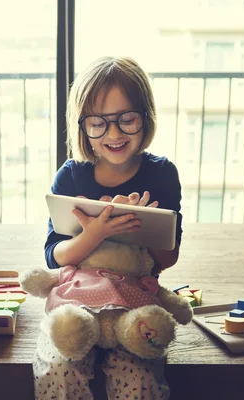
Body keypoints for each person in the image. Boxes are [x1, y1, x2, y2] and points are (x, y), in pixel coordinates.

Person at [33, 56, 183, 400]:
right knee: (59, 366)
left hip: (133, 304)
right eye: (98, 123)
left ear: (146, 117)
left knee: (141, 376)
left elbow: (167, 259)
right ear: (82, 126)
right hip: (75, 301)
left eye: (127, 119)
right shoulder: (71, 175)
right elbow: (53, 256)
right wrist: (94, 235)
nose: (114, 134)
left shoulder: (161, 174)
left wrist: (144, 226)